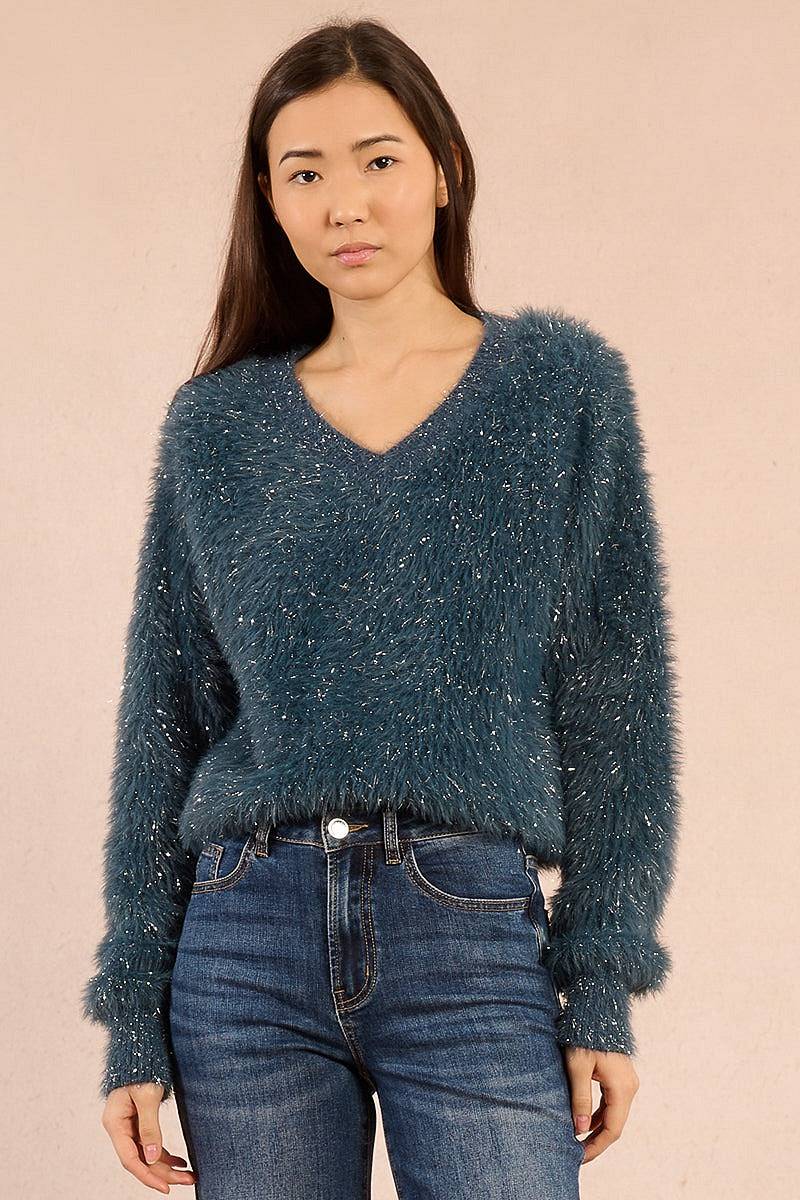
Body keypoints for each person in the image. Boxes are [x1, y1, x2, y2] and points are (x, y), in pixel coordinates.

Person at [81, 17, 681, 1199]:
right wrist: (133, 1016)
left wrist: (600, 981)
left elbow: (614, 702)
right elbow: (165, 717)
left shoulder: (558, 392)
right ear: (268, 198)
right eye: (303, 174)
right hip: (241, 945)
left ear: (443, 170)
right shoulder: (218, 426)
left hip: (467, 937)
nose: (344, 205)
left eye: (377, 160)